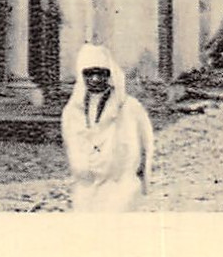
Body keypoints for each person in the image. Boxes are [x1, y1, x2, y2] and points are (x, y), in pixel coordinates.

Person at [61, 44, 156, 212]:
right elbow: (73, 144)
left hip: (120, 185)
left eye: (101, 73)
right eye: (89, 73)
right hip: (86, 187)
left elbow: (145, 146)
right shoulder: (73, 111)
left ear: (109, 74)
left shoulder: (130, 107)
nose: (96, 79)